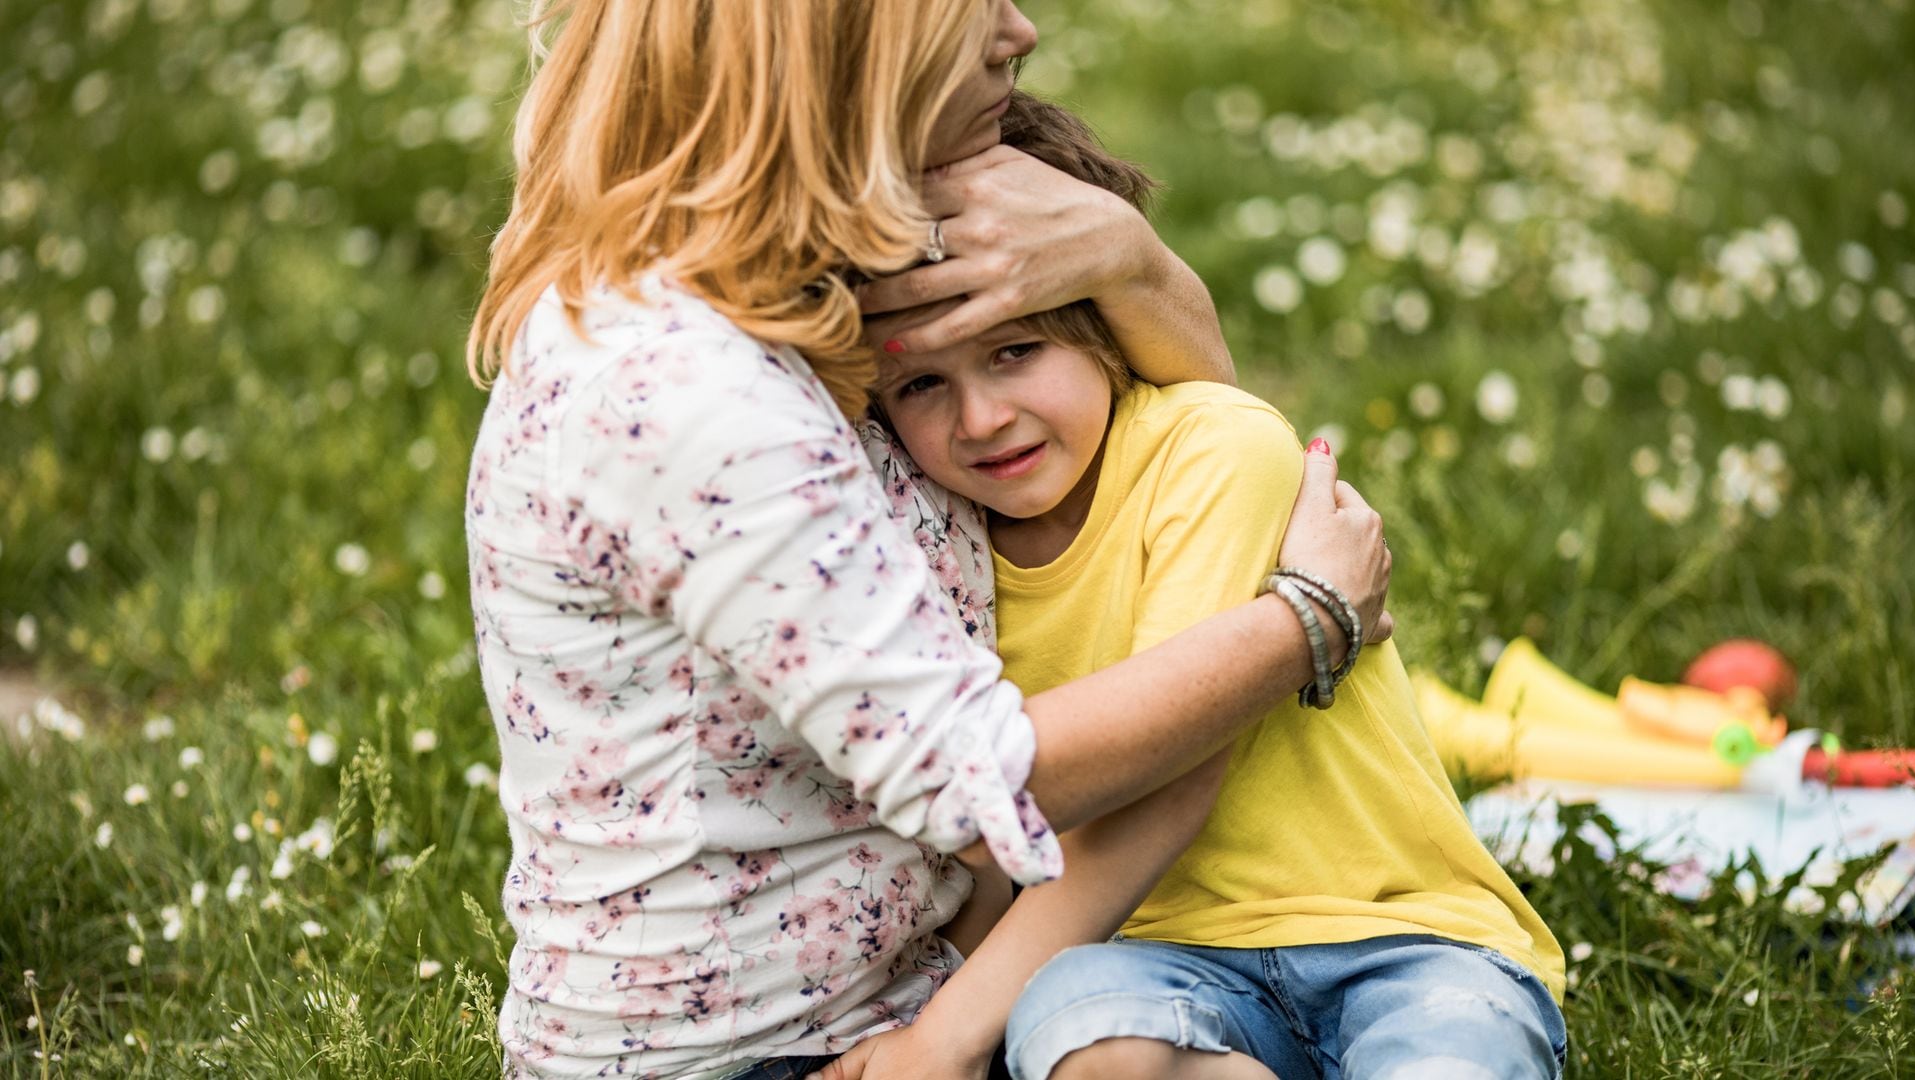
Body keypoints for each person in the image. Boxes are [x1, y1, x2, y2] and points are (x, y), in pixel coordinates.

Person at [462, 2, 1393, 1078]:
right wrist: (1304, 622)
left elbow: (1186, 460)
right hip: (765, 1056)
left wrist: (1133, 267)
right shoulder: (684, 395)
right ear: (845, 51)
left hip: (927, 984)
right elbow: (987, 785)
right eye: (970, 7)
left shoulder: (805, 285)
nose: (1020, 32)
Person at [840, 95, 1567, 1080]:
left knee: (1451, 1049)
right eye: (923, 385)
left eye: (1016, 351)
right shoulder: (935, 543)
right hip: (1152, 958)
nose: (981, 417)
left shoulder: (1212, 447)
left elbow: (1172, 772)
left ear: (1104, 326)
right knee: (1081, 1036)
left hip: (1395, 935)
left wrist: (943, 1039)